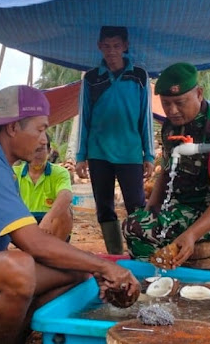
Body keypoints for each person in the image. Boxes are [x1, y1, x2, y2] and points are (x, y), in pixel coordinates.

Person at [0, 85, 139, 344]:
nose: (44, 139)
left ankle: (17, 335)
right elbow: (33, 243)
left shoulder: (0, 166)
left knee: (78, 272)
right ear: (12, 128)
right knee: (18, 267)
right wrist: (105, 265)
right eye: (40, 129)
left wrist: (96, 270)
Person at [123, 62, 210, 267]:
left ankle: (156, 281)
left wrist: (192, 234)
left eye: (180, 102)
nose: (172, 110)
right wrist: (150, 209)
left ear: (199, 93)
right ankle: (158, 280)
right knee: (137, 221)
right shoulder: (171, 128)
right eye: (166, 103)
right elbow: (166, 172)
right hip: (184, 204)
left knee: (136, 228)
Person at [75, 26, 155, 255]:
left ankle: (140, 253)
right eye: (107, 46)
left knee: (136, 206)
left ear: (125, 46)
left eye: (117, 46)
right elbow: (85, 118)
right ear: (99, 47)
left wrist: (148, 155)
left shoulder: (139, 76)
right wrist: (81, 157)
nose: (112, 51)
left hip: (130, 153)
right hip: (98, 153)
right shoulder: (91, 78)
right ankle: (115, 254)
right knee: (104, 208)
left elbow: (145, 117)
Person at [13, 134, 73, 241]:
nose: (37, 154)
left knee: (65, 212)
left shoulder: (60, 172)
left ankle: (55, 252)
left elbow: (66, 195)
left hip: (49, 225)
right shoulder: (14, 173)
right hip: (23, 223)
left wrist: (48, 218)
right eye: (33, 149)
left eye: (41, 149)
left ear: (49, 151)